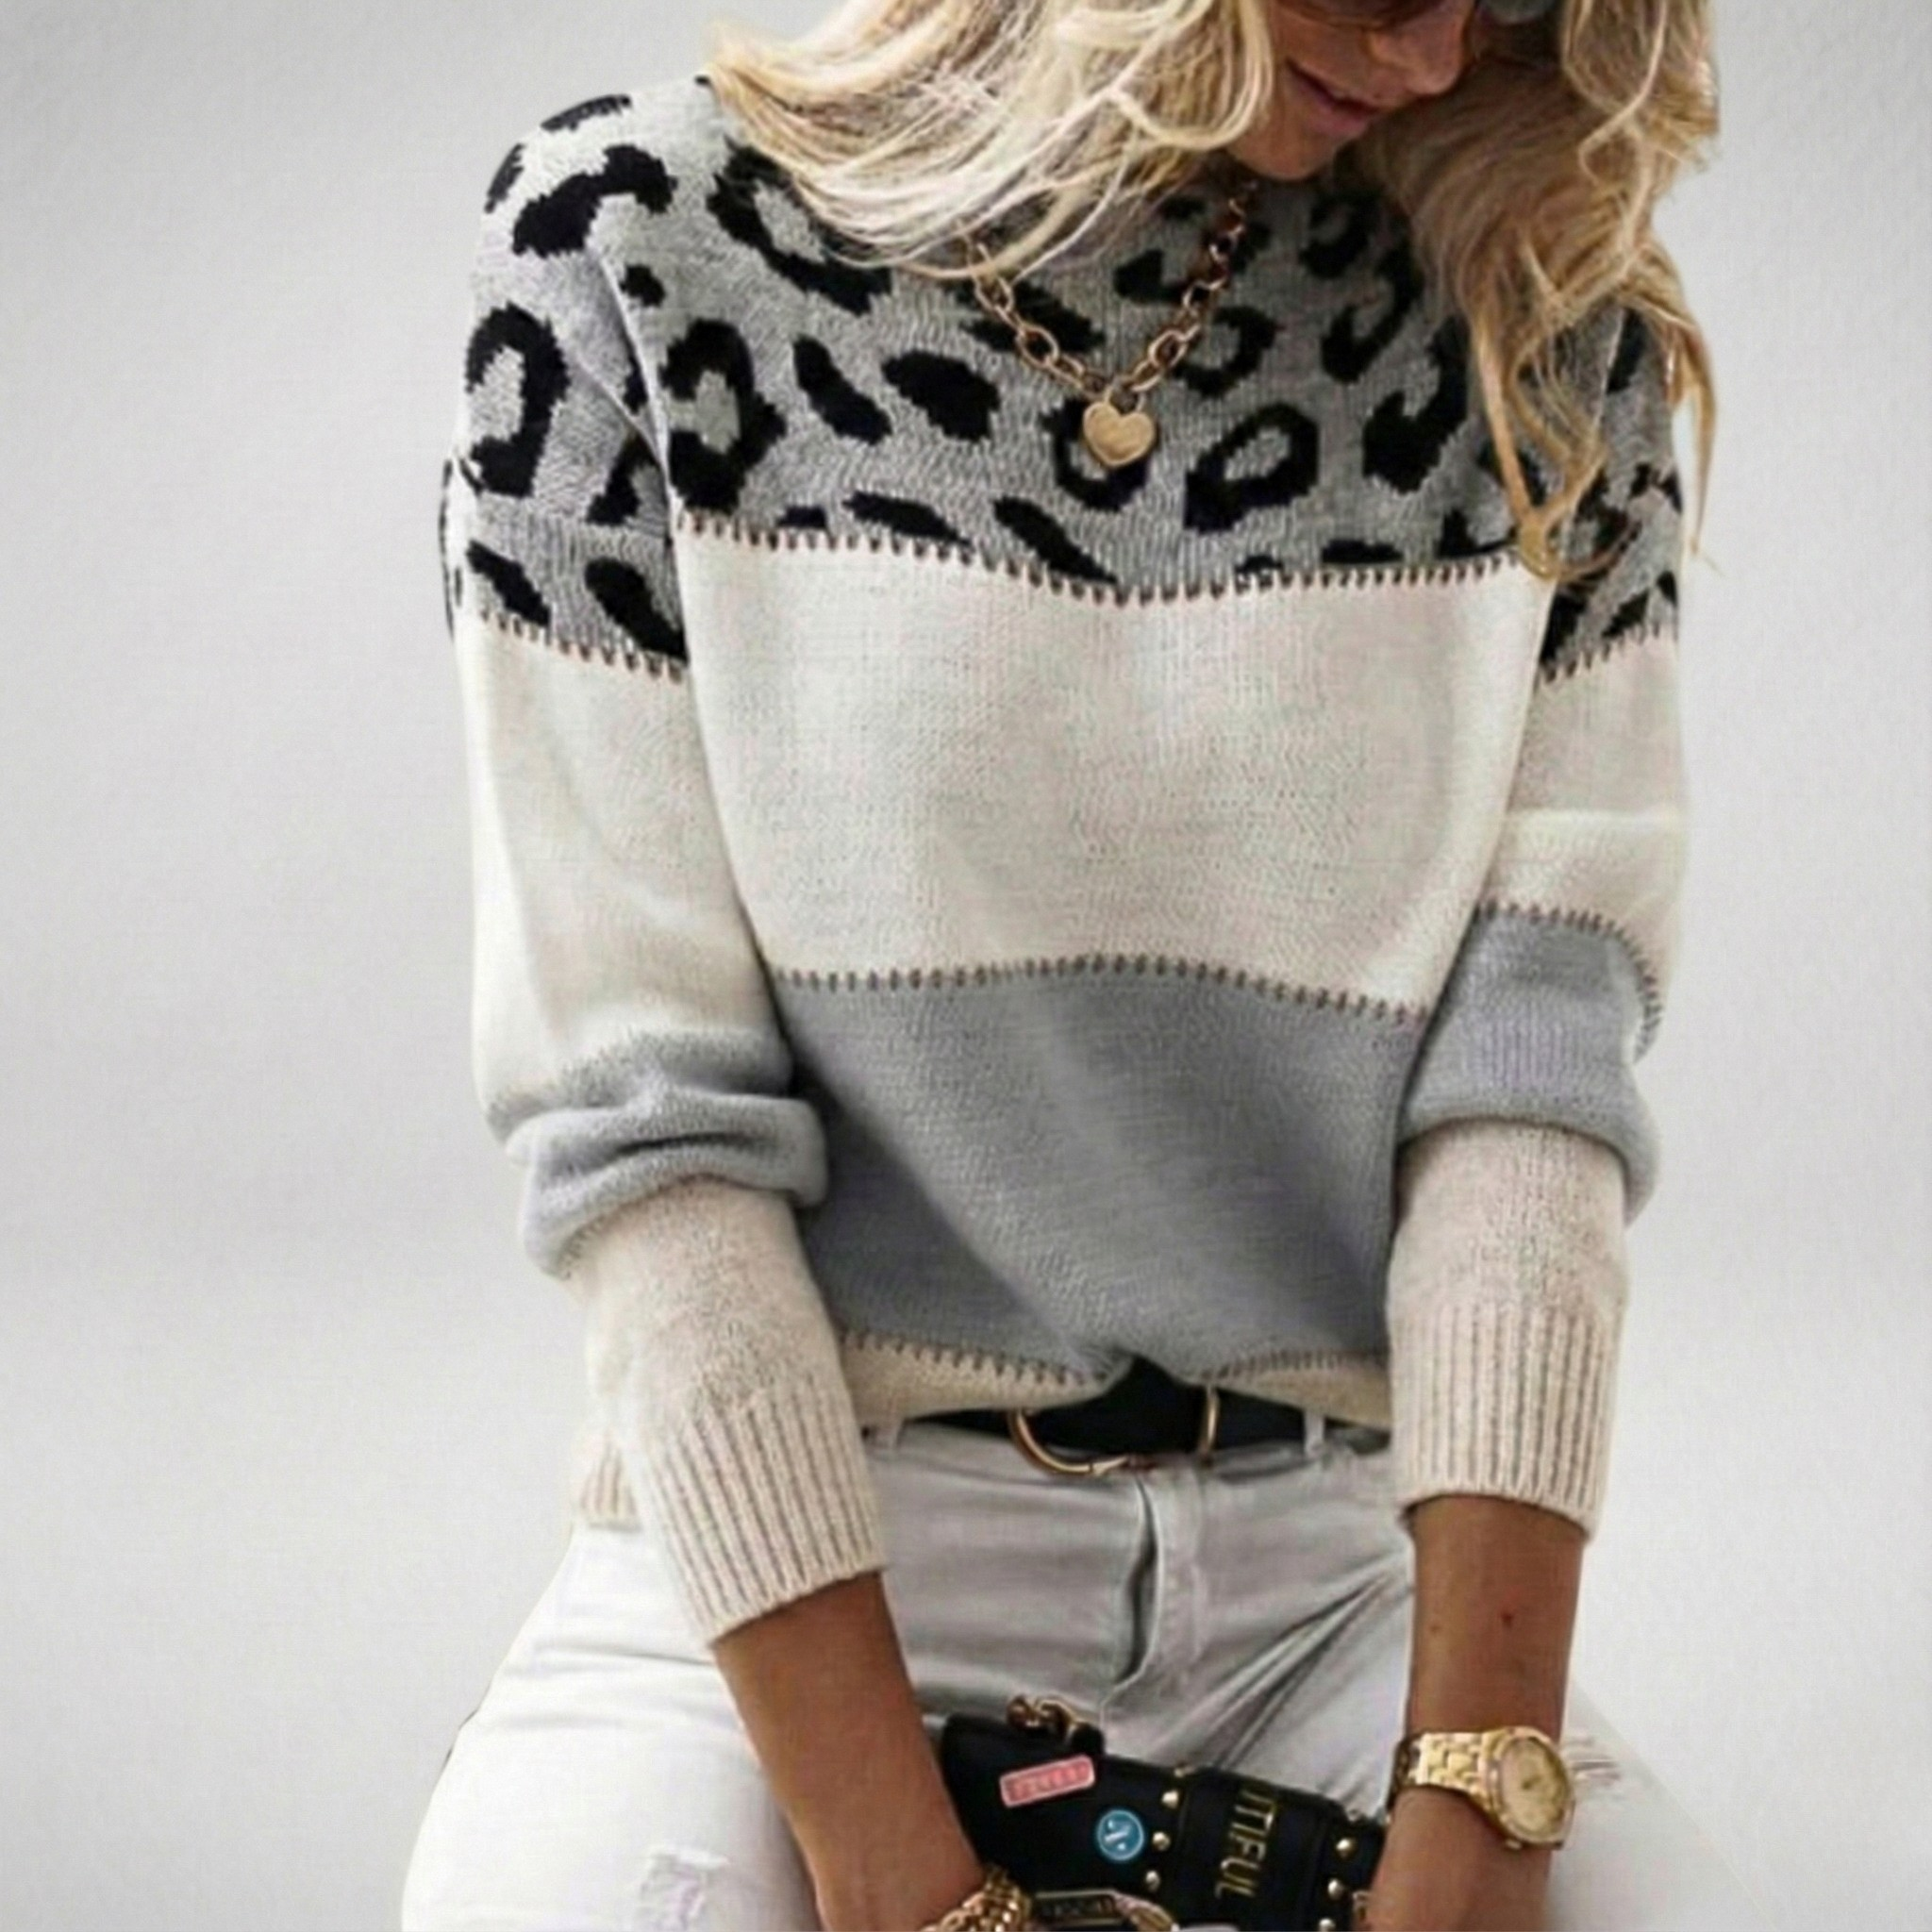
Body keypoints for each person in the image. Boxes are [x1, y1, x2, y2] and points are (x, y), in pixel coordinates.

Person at [401, 3, 1766, 1927]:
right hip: (787, 1582)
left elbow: (1527, 1103)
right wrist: (911, 1887)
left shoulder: (1527, 316)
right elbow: (646, 1128)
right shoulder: (630, 243)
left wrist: (1479, 1794)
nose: (1437, 57)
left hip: (1328, 1595)